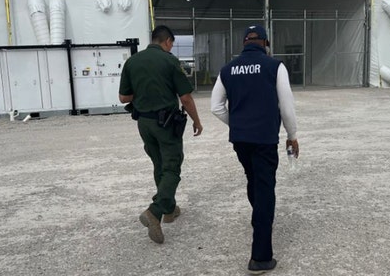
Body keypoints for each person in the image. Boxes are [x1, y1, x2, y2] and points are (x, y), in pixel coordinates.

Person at [210, 25, 299, 274]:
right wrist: (292, 136)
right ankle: (260, 257)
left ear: (244, 43)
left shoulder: (227, 70)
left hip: (241, 140)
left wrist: (237, 124)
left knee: (253, 180)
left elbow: (216, 107)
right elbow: (287, 106)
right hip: (264, 139)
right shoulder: (275, 67)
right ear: (265, 43)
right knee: (265, 187)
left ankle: (259, 217)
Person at [119, 25, 203, 244]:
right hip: (165, 123)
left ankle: (170, 209)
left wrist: (144, 90)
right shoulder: (169, 61)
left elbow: (123, 98)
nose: (171, 48)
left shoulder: (132, 61)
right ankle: (155, 212)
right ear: (167, 41)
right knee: (172, 166)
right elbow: (185, 97)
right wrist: (197, 120)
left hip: (144, 123)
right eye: (171, 44)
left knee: (159, 164)